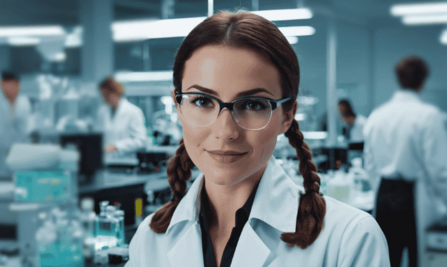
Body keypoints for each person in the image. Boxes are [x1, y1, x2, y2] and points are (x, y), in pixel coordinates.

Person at [127, 11, 389, 267]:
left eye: (252, 104)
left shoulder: (349, 240)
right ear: (179, 107)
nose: (226, 130)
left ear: (287, 115)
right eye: (202, 101)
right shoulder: (149, 241)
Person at [363, 56, 447, 267]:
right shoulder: (428, 116)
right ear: (423, 82)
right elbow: (441, 174)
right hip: (413, 200)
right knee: (419, 260)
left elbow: (369, 166)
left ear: (398, 79)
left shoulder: (376, 116)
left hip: (384, 196)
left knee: (388, 261)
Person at [94, 77, 148, 161]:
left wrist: (117, 147)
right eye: (103, 96)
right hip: (106, 161)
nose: (104, 100)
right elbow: (98, 136)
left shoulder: (133, 111)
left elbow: (141, 140)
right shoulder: (102, 112)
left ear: (115, 92)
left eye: (106, 95)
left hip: (126, 161)